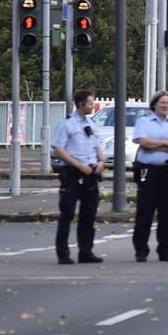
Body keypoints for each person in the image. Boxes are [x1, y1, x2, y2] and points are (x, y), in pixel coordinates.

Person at [51, 89, 106, 264]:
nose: (93, 106)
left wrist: (101, 161)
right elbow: (58, 150)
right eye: (90, 103)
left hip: (91, 174)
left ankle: (86, 251)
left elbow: (97, 146)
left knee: (88, 215)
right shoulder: (67, 124)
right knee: (67, 214)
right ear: (81, 104)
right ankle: (63, 254)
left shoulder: (90, 123)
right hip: (73, 174)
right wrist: (78, 165)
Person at [132, 91, 168, 262]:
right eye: (162, 103)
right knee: (145, 212)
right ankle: (141, 250)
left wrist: (155, 146)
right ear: (154, 104)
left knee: (167, 213)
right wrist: (166, 143)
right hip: (148, 172)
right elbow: (143, 142)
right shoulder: (143, 121)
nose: (165, 106)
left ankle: (165, 249)